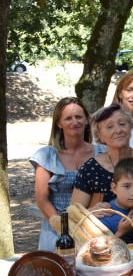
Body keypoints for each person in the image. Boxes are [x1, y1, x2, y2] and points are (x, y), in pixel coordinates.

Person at [31, 97, 102, 250]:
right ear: (59, 123)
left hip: (94, 229)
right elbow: (42, 201)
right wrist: (65, 230)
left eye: (78, 117)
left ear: (87, 120)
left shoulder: (102, 153)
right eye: (68, 118)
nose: (74, 122)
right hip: (56, 229)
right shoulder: (47, 156)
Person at [71, 103, 133, 208]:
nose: (118, 130)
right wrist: (90, 213)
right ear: (100, 136)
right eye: (110, 127)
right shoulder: (90, 169)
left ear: (130, 128)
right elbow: (74, 213)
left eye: (122, 124)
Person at [98, 158, 133, 240]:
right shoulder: (105, 216)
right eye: (127, 186)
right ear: (114, 188)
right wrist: (121, 232)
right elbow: (101, 250)